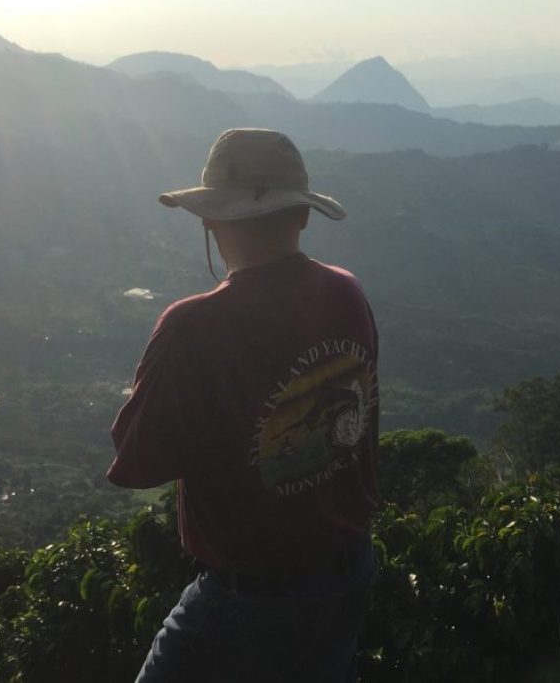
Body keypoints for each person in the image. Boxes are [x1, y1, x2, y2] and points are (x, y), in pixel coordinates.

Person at [108, 128, 380, 682]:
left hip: (251, 593)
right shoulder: (347, 292)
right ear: (302, 216)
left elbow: (139, 462)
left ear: (209, 220)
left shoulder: (193, 326)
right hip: (348, 569)